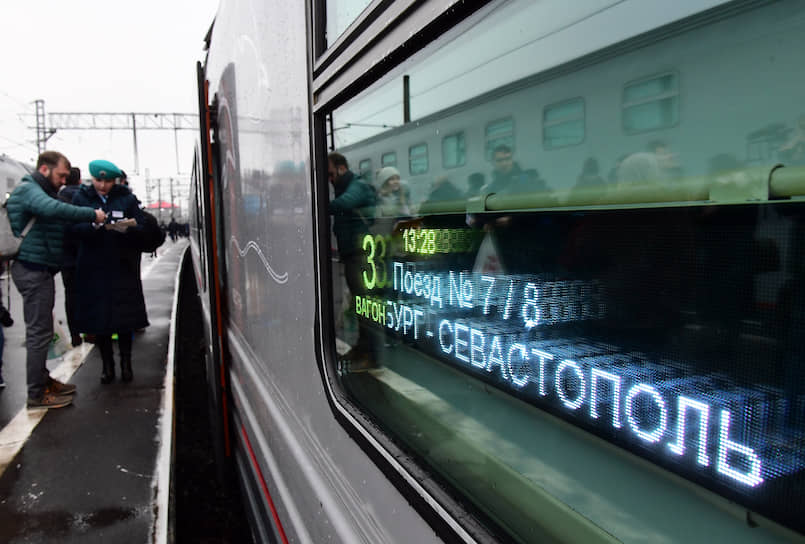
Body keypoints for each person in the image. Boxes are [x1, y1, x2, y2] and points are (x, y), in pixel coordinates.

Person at [7, 151, 106, 409]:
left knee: (42, 330)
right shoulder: (30, 190)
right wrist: (90, 214)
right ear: (44, 170)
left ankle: (43, 381)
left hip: (41, 268)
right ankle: (36, 395)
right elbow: (52, 209)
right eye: (61, 175)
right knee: (38, 333)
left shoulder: (42, 191)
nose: (64, 180)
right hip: (31, 268)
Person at [71, 159, 148, 384]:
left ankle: (126, 363)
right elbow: (72, 227)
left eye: (107, 181)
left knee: (124, 319)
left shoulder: (127, 198)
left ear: (115, 181)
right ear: (92, 179)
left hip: (121, 265)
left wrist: (128, 227)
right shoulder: (82, 199)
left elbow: (141, 226)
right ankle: (107, 366)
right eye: (98, 180)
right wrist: (93, 225)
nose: (103, 185)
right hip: (93, 267)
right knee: (100, 321)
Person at [328, 152, 377, 368]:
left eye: (331, 174)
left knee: (365, 303)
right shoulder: (344, 187)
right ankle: (362, 348)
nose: (330, 179)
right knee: (360, 303)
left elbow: (345, 204)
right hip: (351, 252)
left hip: (361, 253)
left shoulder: (357, 185)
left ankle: (370, 353)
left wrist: (319, 203)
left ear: (341, 168)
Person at [59, 166, 83, 347]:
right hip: (86, 255)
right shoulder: (84, 198)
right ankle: (91, 331)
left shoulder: (58, 199)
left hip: (67, 258)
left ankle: (75, 334)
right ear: (80, 180)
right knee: (90, 294)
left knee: (71, 297)